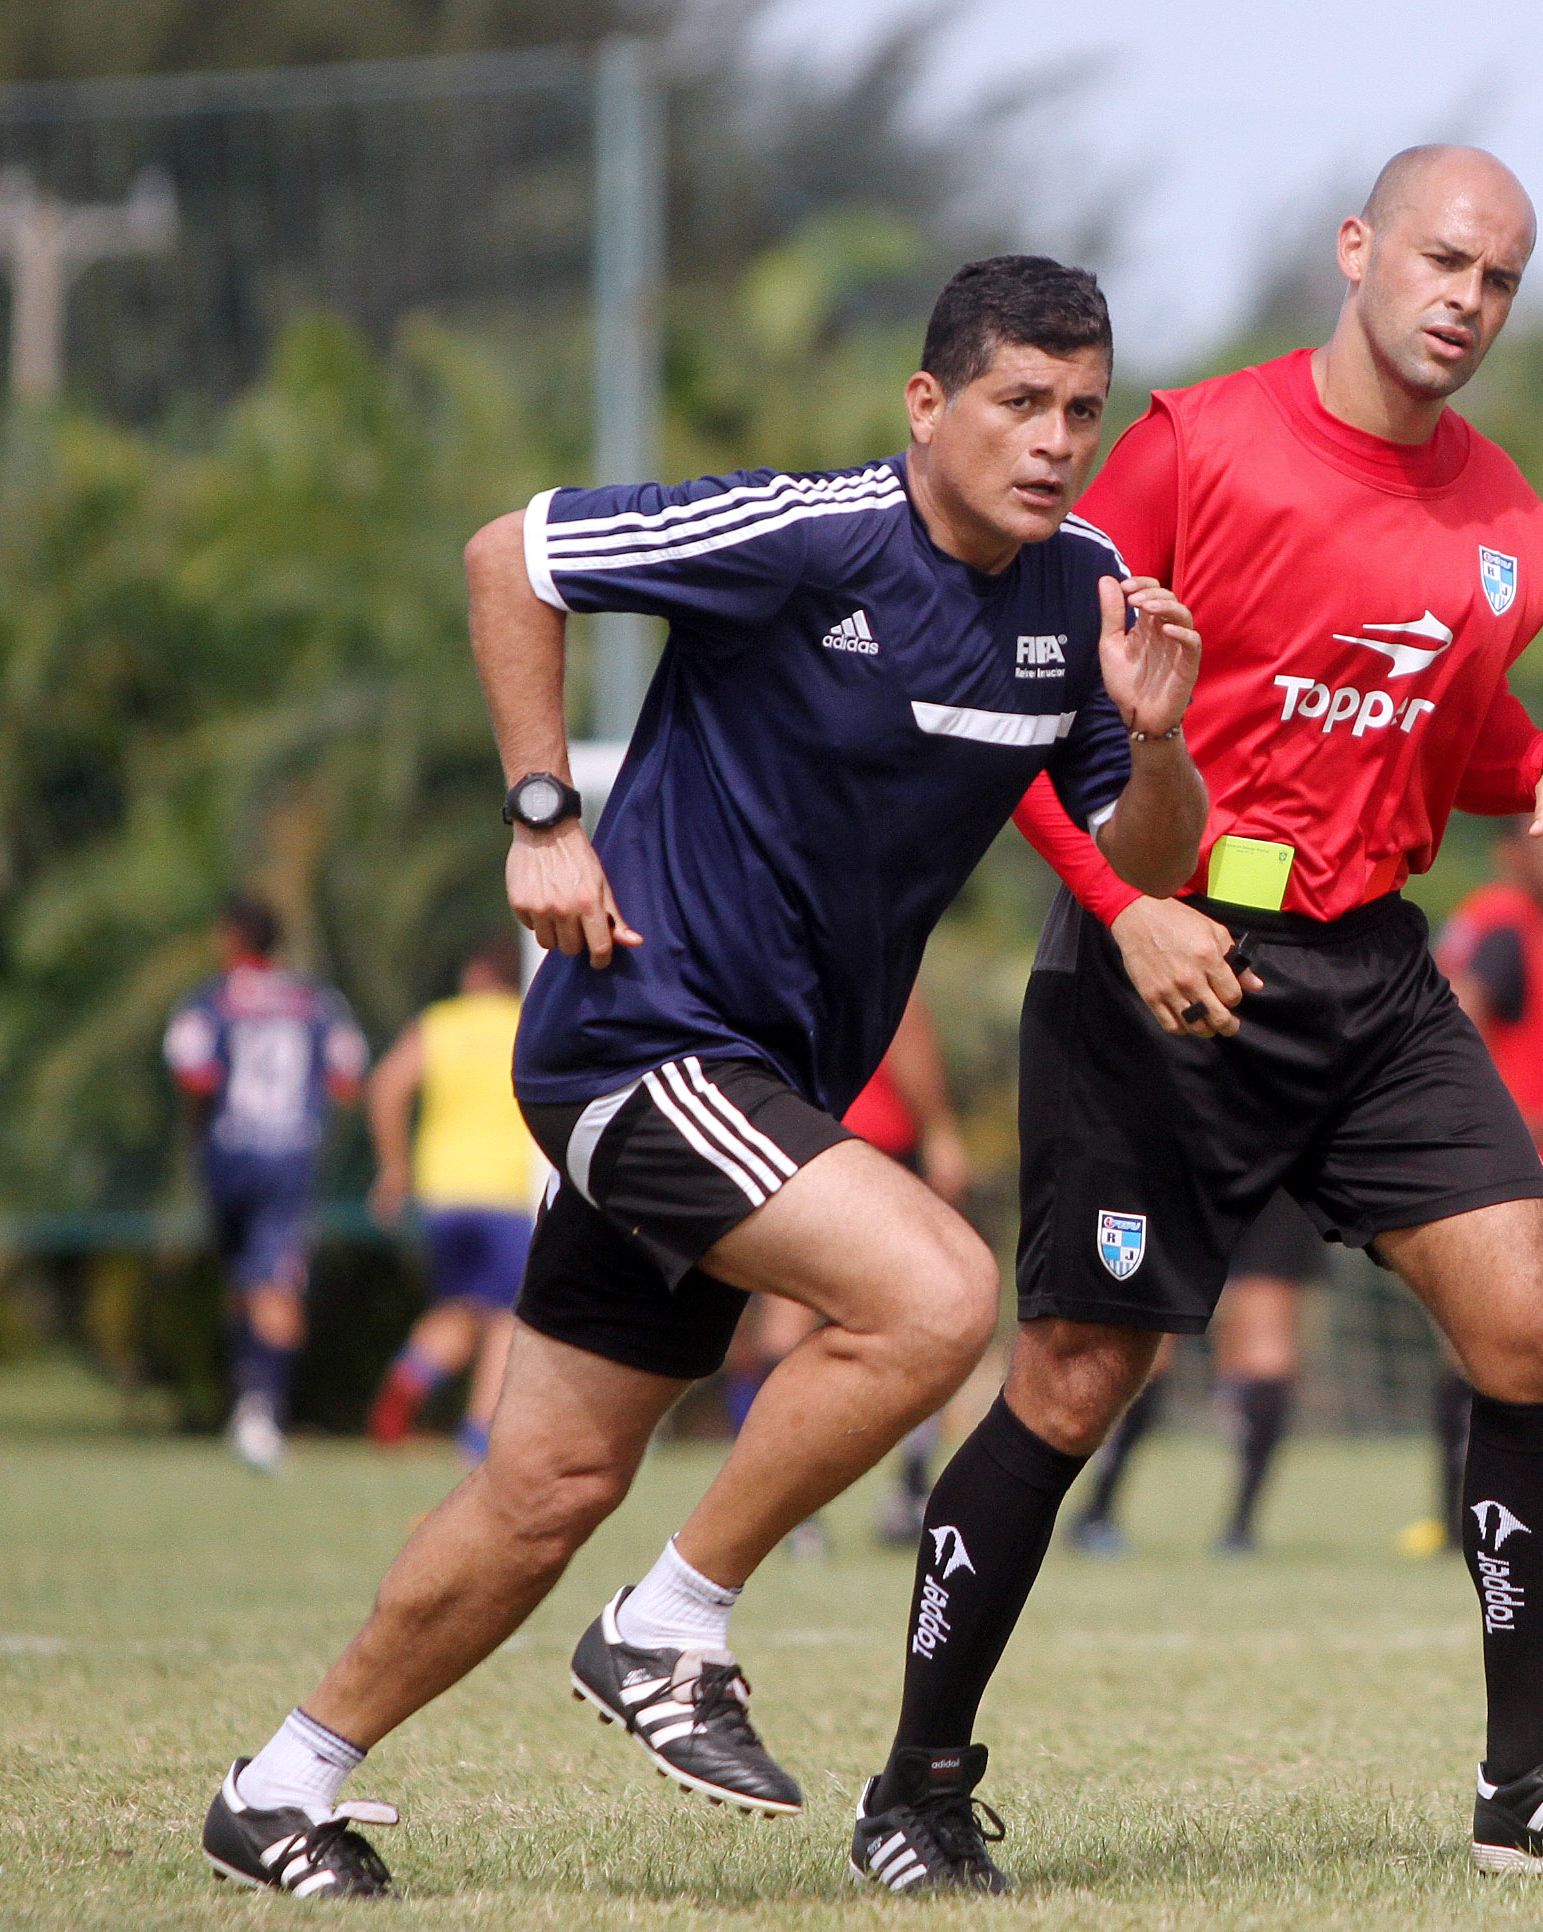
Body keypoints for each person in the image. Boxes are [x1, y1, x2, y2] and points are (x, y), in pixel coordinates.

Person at [196, 255, 1208, 1900]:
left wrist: (1155, 736)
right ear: (929, 404)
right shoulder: (809, 534)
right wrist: (542, 814)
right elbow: (508, 556)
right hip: (635, 1034)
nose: (1056, 441)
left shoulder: (1083, 596)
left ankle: (281, 1783)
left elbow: (1138, 861)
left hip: (759, 1084)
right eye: (1021, 402)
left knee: (550, 1485)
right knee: (941, 1293)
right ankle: (671, 1621)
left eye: (1083, 411)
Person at [858, 147, 1543, 1895]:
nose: (1467, 300)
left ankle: (1527, 1775)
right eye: (1443, 259)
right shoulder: (1194, 447)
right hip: (1163, 959)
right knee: (1077, 1376)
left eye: (1500, 279)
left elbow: (1453, 734)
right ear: (1360, 250)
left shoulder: (1513, 532)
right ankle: (918, 1790)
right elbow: (1038, 711)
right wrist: (1128, 910)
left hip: (1370, 975)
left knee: (1537, 1321)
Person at [718, 988, 974, 1556]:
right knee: (930, 1309)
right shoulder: (879, 921)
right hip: (872, 1140)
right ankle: (906, 1493)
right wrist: (940, 1130)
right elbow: (909, 1027)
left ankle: (776, 1507)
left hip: (787, 1133)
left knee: (784, 1323)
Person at [1408, 812, 1543, 1558]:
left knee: (1502, 1342)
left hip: (1525, 1167)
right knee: (1528, 1340)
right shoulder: (1505, 921)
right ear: (1513, 849)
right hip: (1515, 1173)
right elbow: (1459, 1009)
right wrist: (1499, 1121)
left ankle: (1480, 1509)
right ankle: (1494, 1510)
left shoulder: (1517, 924)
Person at [163, 895, 368, 1475]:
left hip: (227, 1153)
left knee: (246, 1281)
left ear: (231, 936)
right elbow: (347, 1078)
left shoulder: (209, 1000)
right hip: (289, 1155)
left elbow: (193, 1074)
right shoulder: (316, 1002)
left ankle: (252, 1410)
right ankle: (261, 1410)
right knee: (273, 1284)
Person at [1062, 1191, 1325, 1559]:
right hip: (1277, 1154)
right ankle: (1238, 1531)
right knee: (1247, 1334)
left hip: (1189, 1150)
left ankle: (1097, 1513)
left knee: (1154, 1330)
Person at [364, 937, 533, 1462]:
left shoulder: (442, 1022)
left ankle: (392, 1412)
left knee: (459, 1310)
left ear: (478, 974)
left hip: (445, 1192)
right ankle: (479, 1436)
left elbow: (388, 1085)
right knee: (508, 1316)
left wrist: (394, 1169)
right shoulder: (531, 1024)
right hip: (509, 1191)